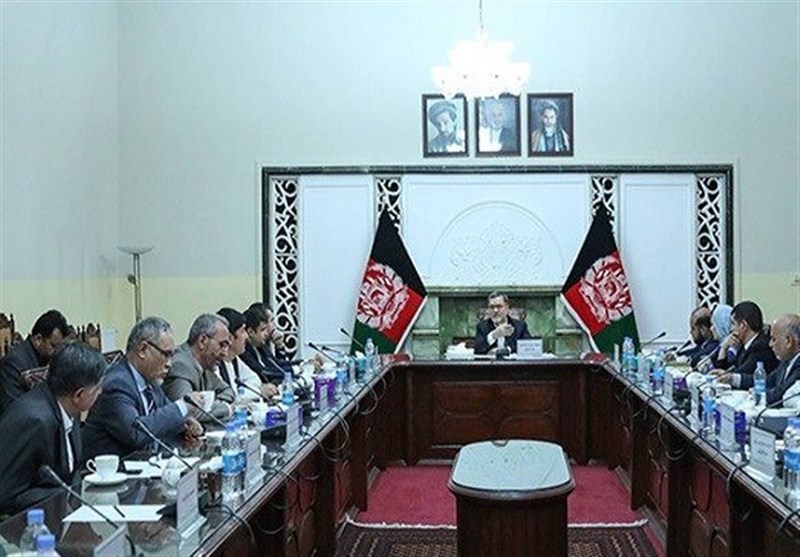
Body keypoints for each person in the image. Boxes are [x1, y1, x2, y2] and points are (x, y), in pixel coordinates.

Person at [0, 343, 105, 516]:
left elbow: (71, 471)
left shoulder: (69, 409)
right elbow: (6, 496)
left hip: (59, 514)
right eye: (97, 388)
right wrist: (64, 495)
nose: (100, 392)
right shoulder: (35, 421)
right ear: (79, 395)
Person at [82, 317, 204, 459]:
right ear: (143, 349)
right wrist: (182, 407)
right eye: (165, 355)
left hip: (147, 467)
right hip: (114, 470)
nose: (169, 364)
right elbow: (137, 432)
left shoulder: (151, 382)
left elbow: (161, 420)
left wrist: (185, 425)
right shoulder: (116, 384)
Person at [162, 314, 235, 423]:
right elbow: (187, 413)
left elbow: (228, 391)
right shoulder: (180, 365)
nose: (225, 353)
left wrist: (209, 404)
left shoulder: (205, 365)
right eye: (222, 345)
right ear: (202, 341)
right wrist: (226, 408)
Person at [0, 309, 70, 415]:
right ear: (38, 339)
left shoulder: (50, 358)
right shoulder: (13, 363)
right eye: (53, 346)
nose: (57, 352)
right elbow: (12, 409)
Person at [216, 307, 278, 399]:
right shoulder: (215, 365)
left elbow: (255, 380)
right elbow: (230, 398)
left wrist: (243, 391)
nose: (246, 336)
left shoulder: (234, 360)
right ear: (230, 338)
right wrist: (259, 391)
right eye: (242, 331)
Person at [713, 300, 779, 384]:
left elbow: (742, 373)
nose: (731, 329)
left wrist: (725, 374)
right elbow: (729, 368)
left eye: (733, 324)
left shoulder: (761, 346)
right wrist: (724, 348)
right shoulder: (744, 346)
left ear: (743, 325)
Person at [241, 304, 291, 384]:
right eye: (271, 320)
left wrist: (280, 346)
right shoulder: (244, 350)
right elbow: (264, 372)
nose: (274, 325)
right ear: (250, 332)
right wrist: (294, 370)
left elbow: (276, 365)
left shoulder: (262, 345)